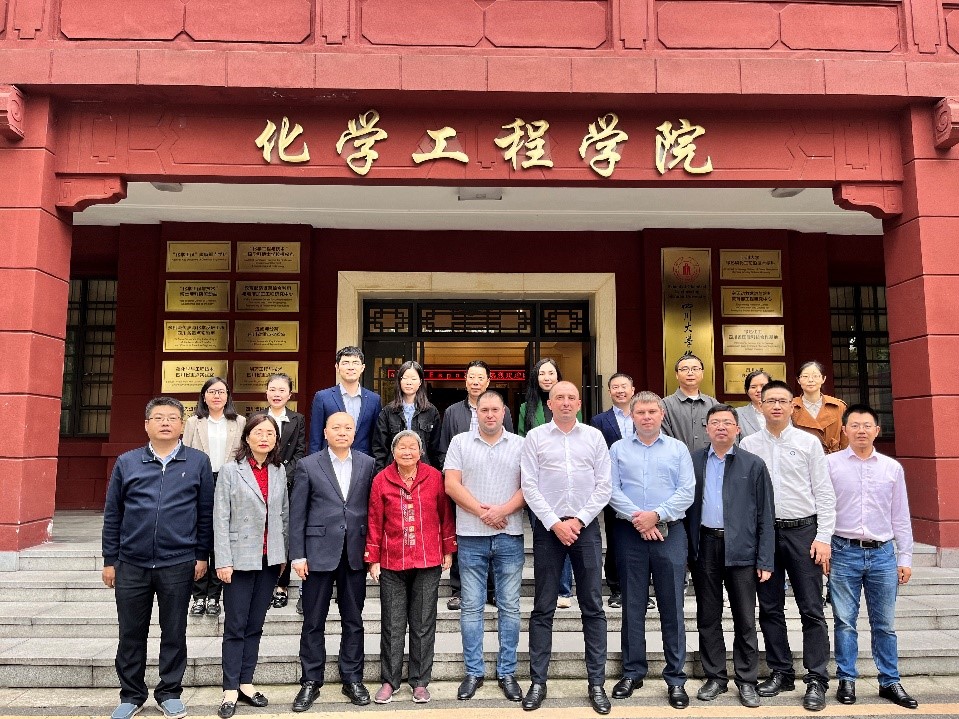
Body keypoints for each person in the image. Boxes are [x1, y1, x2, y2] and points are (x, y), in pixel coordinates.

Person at [102, 397, 214, 719]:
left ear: (182, 425)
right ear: (147, 425)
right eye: (159, 417)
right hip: (131, 563)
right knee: (130, 633)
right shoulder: (127, 462)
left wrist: (201, 555)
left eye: (172, 418)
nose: (166, 423)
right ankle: (131, 695)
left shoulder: (198, 462)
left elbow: (205, 513)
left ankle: (169, 692)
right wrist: (110, 560)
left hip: (178, 562)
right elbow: (113, 514)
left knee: (174, 632)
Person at [740, 380, 835, 712]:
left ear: (792, 405)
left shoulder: (808, 443)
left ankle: (816, 678)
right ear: (761, 405)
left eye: (782, 400)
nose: (776, 406)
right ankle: (781, 672)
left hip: (803, 532)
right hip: (765, 534)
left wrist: (824, 537)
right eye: (770, 401)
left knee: (811, 608)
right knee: (769, 607)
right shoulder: (749, 444)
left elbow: (824, 492)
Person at [520, 381, 612, 715]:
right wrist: (554, 523)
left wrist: (579, 520)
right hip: (548, 529)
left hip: (585, 529)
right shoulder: (535, 437)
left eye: (571, 397)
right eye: (559, 397)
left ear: (579, 403)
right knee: (543, 606)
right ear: (549, 403)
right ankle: (538, 682)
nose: (565, 402)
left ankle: (596, 683)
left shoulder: (594, 437)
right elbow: (529, 485)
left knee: (593, 606)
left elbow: (604, 485)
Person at [827, 404, 918, 709]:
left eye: (867, 425)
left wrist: (905, 557)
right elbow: (822, 510)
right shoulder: (830, 465)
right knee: (844, 622)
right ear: (844, 430)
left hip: (882, 555)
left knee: (884, 624)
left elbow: (900, 515)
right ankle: (847, 679)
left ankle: (889, 680)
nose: (861, 430)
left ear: (877, 430)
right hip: (843, 551)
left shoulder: (891, 468)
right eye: (854, 425)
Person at [608, 391, 694, 710]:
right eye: (640, 412)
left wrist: (656, 515)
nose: (646, 417)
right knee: (632, 605)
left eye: (652, 412)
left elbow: (686, 491)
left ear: (662, 415)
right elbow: (611, 490)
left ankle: (675, 678)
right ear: (632, 416)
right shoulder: (618, 449)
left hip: (670, 533)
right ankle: (633, 672)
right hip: (630, 534)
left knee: (672, 606)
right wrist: (640, 519)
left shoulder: (677, 449)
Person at [687, 404, 775, 709]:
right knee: (707, 616)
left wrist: (765, 559)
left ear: (737, 429)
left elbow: (765, 514)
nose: (721, 427)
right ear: (707, 429)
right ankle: (715, 677)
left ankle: (747, 679)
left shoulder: (753, 464)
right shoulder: (694, 461)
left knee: (745, 618)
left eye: (727, 422)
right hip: (705, 546)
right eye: (715, 422)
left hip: (742, 549)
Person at [289, 412, 376, 711]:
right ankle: (310, 681)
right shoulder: (308, 464)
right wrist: (298, 555)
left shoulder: (367, 464)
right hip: (317, 554)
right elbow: (298, 513)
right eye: (336, 427)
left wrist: (372, 553)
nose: (342, 432)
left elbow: (371, 510)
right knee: (313, 621)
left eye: (347, 428)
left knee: (354, 620)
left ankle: (352, 678)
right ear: (325, 432)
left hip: (354, 553)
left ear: (355, 432)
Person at [444, 391, 526, 702]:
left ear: (504, 412)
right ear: (476, 413)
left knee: (510, 607)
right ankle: (473, 672)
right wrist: (483, 513)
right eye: (484, 410)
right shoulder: (460, 442)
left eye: (495, 409)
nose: (490, 414)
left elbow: (529, 486)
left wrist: (502, 511)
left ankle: (507, 672)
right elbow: (451, 484)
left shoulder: (520, 444)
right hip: (470, 535)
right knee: (471, 607)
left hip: (510, 534)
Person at [366, 430, 456, 705]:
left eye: (412, 447)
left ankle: (420, 682)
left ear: (421, 452)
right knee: (392, 624)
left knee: (423, 623)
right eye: (401, 447)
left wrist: (448, 549)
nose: (407, 451)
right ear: (393, 452)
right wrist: (373, 558)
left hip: (428, 559)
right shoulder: (381, 479)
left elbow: (445, 515)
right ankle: (389, 681)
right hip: (392, 560)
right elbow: (374, 520)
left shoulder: (434, 477)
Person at [213, 413, 289, 718]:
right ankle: (230, 688)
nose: (264, 438)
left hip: (269, 559)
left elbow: (283, 515)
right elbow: (220, 518)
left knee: (255, 625)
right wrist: (223, 560)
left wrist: (282, 556)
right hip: (238, 559)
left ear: (276, 440)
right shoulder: (230, 470)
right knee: (236, 626)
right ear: (247, 437)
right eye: (258, 432)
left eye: (270, 433)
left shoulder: (279, 470)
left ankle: (246, 682)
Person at [438, 359, 514, 610]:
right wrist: (454, 480)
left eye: (480, 377)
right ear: (465, 380)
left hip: (495, 486)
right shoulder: (452, 412)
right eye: (471, 377)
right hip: (462, 486)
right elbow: (443, 448)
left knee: (494, 540)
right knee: (463, 537)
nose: (475, 382)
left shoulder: (503, 411)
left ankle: (492, 591)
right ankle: (460, 590)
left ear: (488, 381)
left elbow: (509, 445)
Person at [183, 376, 246, 617]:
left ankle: (214, 596)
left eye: (221, 391)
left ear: (228, 396)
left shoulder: (239, 422)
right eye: (211, 391)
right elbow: (185, 452)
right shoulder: (194, 422)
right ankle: (198, 596)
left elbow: (243, 454)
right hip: (201, 480)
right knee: (202, 533)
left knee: (222, 535)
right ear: (204, 396)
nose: (216, 396)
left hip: (229, 480)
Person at [519, 358, 577, 608]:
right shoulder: (526, 408)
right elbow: (522, 441)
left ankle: (564, 590)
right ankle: (546, 590)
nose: (546, 377)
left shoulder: (569, 404)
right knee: (543, 539)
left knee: (565, 536)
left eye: (551, 373)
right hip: (538, 483)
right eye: (542, 373)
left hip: (565, 482)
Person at [589, 372, 635, 610]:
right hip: (611, 486)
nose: (620, 390)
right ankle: (616, 588)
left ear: (633, 390)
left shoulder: (643, 416)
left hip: (639, 485)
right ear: (609, 392)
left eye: (624, 386)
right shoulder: (599, 421)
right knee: (616, 537)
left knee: (639, 538)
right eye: (615, 387)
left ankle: (638, 589)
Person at [263, 373, 306, 611]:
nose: (277, 394)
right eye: (273, 389)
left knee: (284, 533)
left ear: (289, 394)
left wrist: (283, 476)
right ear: (266, 392)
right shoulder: (258, 418)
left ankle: (281, 585)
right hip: (260, 481)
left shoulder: (297, 419)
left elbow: (299, 451)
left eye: (282, 390)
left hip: (288, 482)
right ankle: (265, 583)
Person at [372, 360, 442, 474]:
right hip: (393, 472)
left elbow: (436, 449)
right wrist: (381, 475)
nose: (409, 382)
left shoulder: (431, 412)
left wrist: (436, 475)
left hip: (423, 473)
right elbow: (379, 449)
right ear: (399, 381)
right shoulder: (388, 412)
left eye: (413, 379)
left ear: (420, 382)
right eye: (405, 378)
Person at [308, 346, 381, 455]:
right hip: (329, 459)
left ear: (362, 368)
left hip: (363, 460)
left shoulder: (374, 399)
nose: (351, 367)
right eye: (345, 363)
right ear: (337, 367)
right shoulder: (322, 397)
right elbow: (315, 437)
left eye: (355, 363)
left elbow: (376, 438)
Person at [661, 354, 718, 453]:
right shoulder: (665, 405)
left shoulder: (713, 404)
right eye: (684, 369)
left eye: (695, 369)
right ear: (676, 374)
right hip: (677, 459)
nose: (690, 373)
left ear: (702, 373)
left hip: (709, 460)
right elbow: (662, 437)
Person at [791, 360, 848, 454]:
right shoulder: (791, 406)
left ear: (823, 379)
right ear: (798, 380)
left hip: (832, 459)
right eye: (805, 376)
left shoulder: (838, 406)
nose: (810, 380)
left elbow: (845, 440)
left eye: (815, 376)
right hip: (802, 458)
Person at [738, 370, 772, 438]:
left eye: (763, 386)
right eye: (753, 387)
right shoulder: (737, 414)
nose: (759, 390)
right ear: (747, 391)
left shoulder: (783, 411)